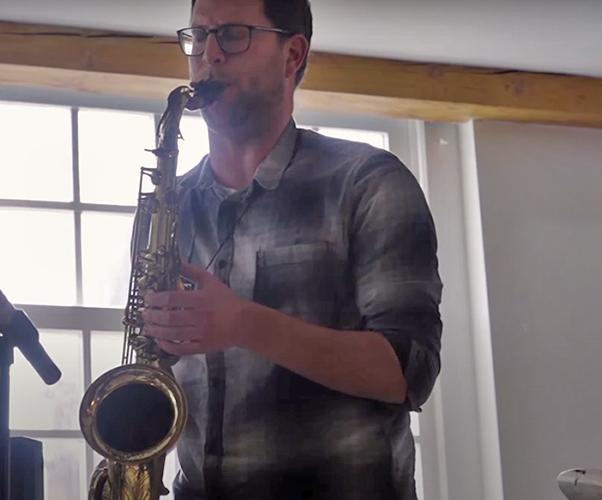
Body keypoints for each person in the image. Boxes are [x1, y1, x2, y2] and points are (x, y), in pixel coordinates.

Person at [139, 0, 443, 499]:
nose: (209, 55)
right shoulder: (169, 209)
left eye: (234, 34)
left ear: (292, 54)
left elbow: (409, 371)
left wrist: (243, 323)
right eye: (198, 36)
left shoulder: (367, 182)